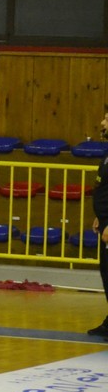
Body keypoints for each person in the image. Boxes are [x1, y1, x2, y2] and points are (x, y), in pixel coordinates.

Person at [88, 109, 108, 341]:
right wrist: (100, 215)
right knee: (106, 274)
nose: (102, 123)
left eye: (106, 119)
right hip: (104, 221)